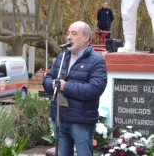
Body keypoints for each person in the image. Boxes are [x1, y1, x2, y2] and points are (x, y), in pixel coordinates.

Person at [42, 21, 107, 156]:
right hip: (60, 118)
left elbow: (95, 89)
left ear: (86, 38)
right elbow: (47, 79)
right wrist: (52, 84)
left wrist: (66, 86)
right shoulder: (62, 57)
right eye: (68, 33)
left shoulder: (96, 60)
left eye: (74, 34)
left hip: (81, 121)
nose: (69, 37)